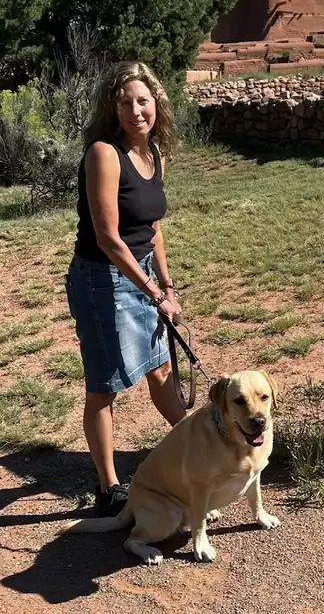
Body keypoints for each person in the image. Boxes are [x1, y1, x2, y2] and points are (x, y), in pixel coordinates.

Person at [64, 61, 185, 517]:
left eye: (143, 100)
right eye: (125, 102)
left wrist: (167, 286)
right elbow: (108, 237)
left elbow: (152, 230)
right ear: (112, 108)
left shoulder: (155, 154)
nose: (136, 110)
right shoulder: (104, 154)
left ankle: (200, 439)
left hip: (143, 273)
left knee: (159, 369)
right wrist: (154, 292)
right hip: (102, 280)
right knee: (105, 386)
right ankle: (108, 485)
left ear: (157, 105)